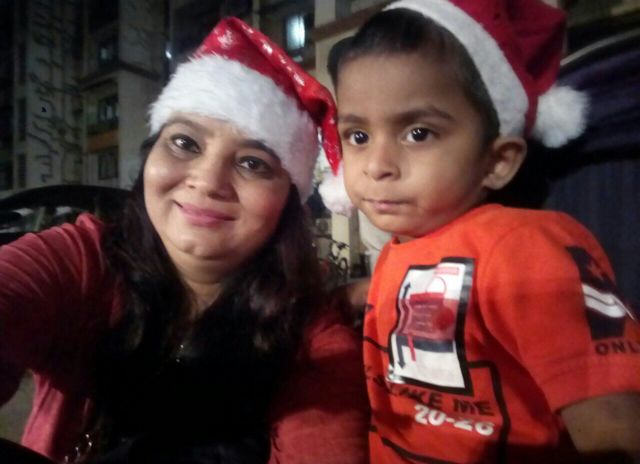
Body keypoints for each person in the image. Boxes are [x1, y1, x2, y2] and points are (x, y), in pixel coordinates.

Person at [0, 18, 369, 464]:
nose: (208, 181)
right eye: (184, 143)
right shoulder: (82, 260)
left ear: (288, 203)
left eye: (253, 163)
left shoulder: (312, 337)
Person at [318, 0, 640, 462]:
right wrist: (348, 296)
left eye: (418, 133)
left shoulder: (527, 248)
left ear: (497, 161)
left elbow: (614, 428)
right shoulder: (405, 248)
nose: (377, 165)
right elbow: (426, 293)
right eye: (359, 136)